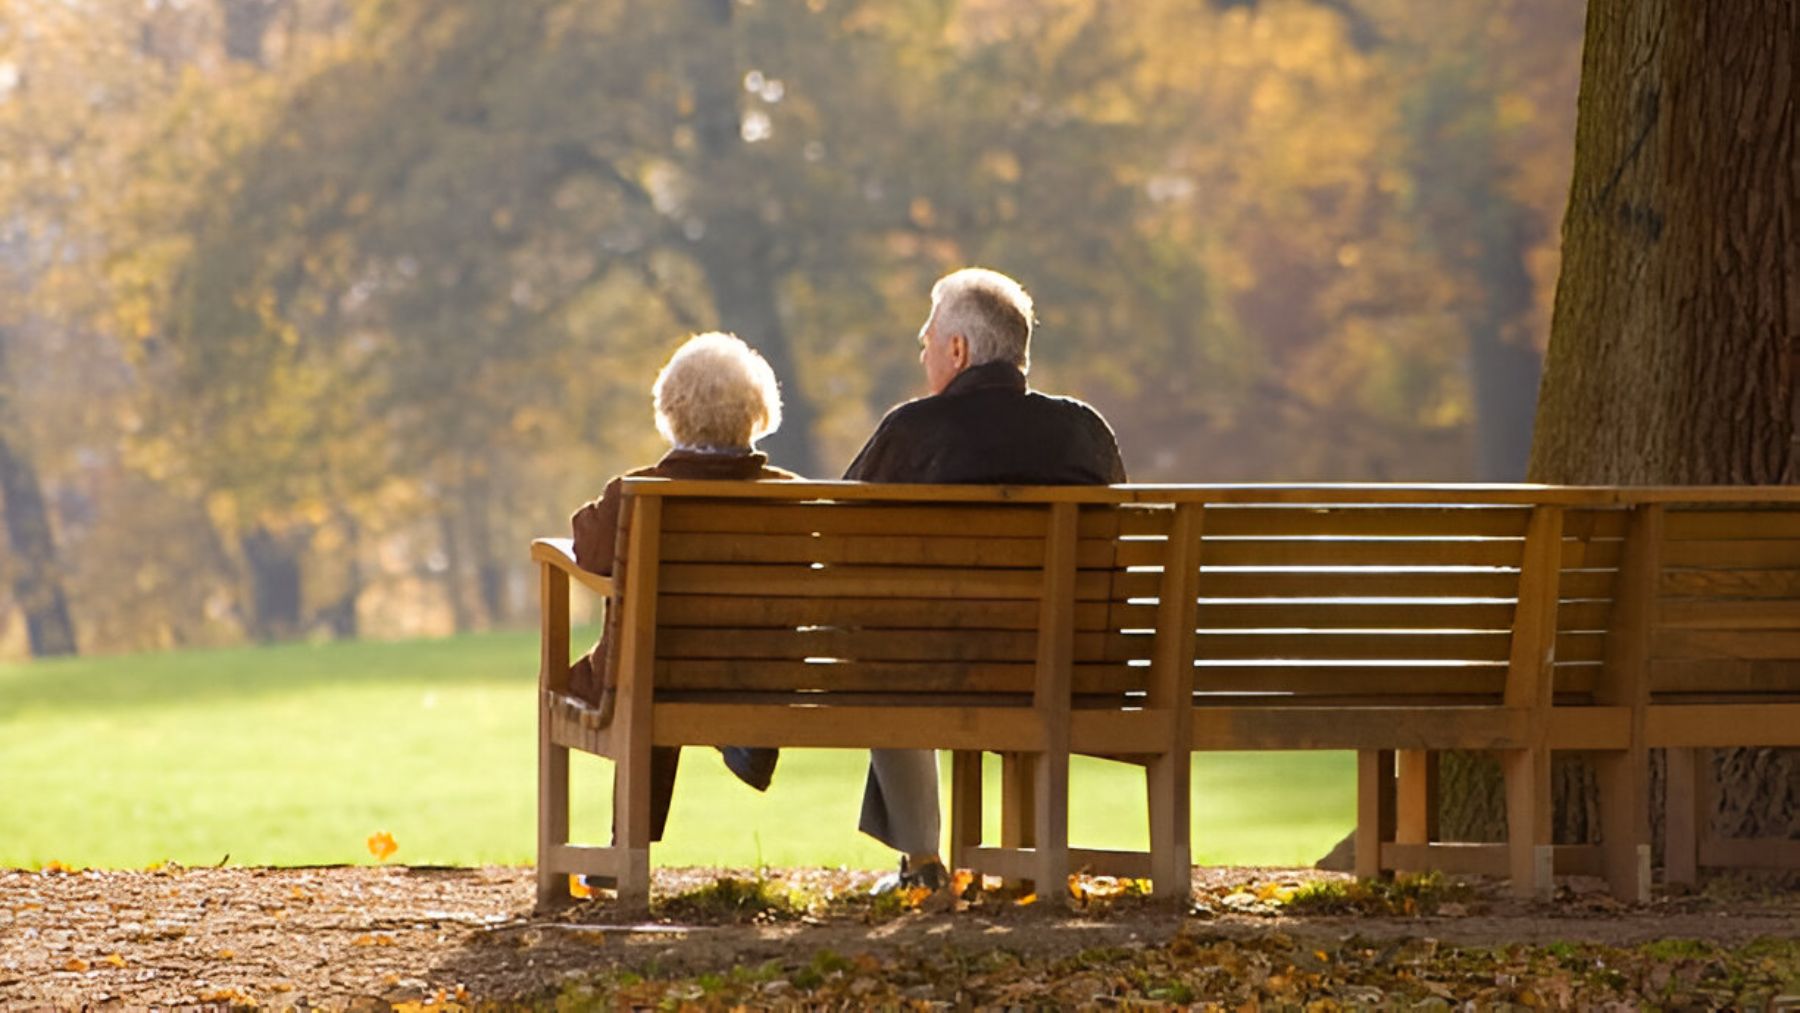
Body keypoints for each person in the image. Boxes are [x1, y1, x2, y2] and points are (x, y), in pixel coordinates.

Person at [843, 268, 1127, 893]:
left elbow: (836, 538)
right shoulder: (1084, 432)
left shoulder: (911, 432)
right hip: (1076, 667)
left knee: (880, 642)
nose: (921, 351)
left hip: (934, 671)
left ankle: (921, 863)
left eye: (927, 339)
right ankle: (1007, 859)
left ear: (958, 350)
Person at [568, 331, 797, 844]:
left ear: (670, 409)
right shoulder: (790, 499)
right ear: (759, 410)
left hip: (649, 674)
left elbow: (589, 553)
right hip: (754, 677)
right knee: (666, 656)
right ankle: (740, 731)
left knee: (638, 663)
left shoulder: (635, 494)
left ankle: (628, 845)